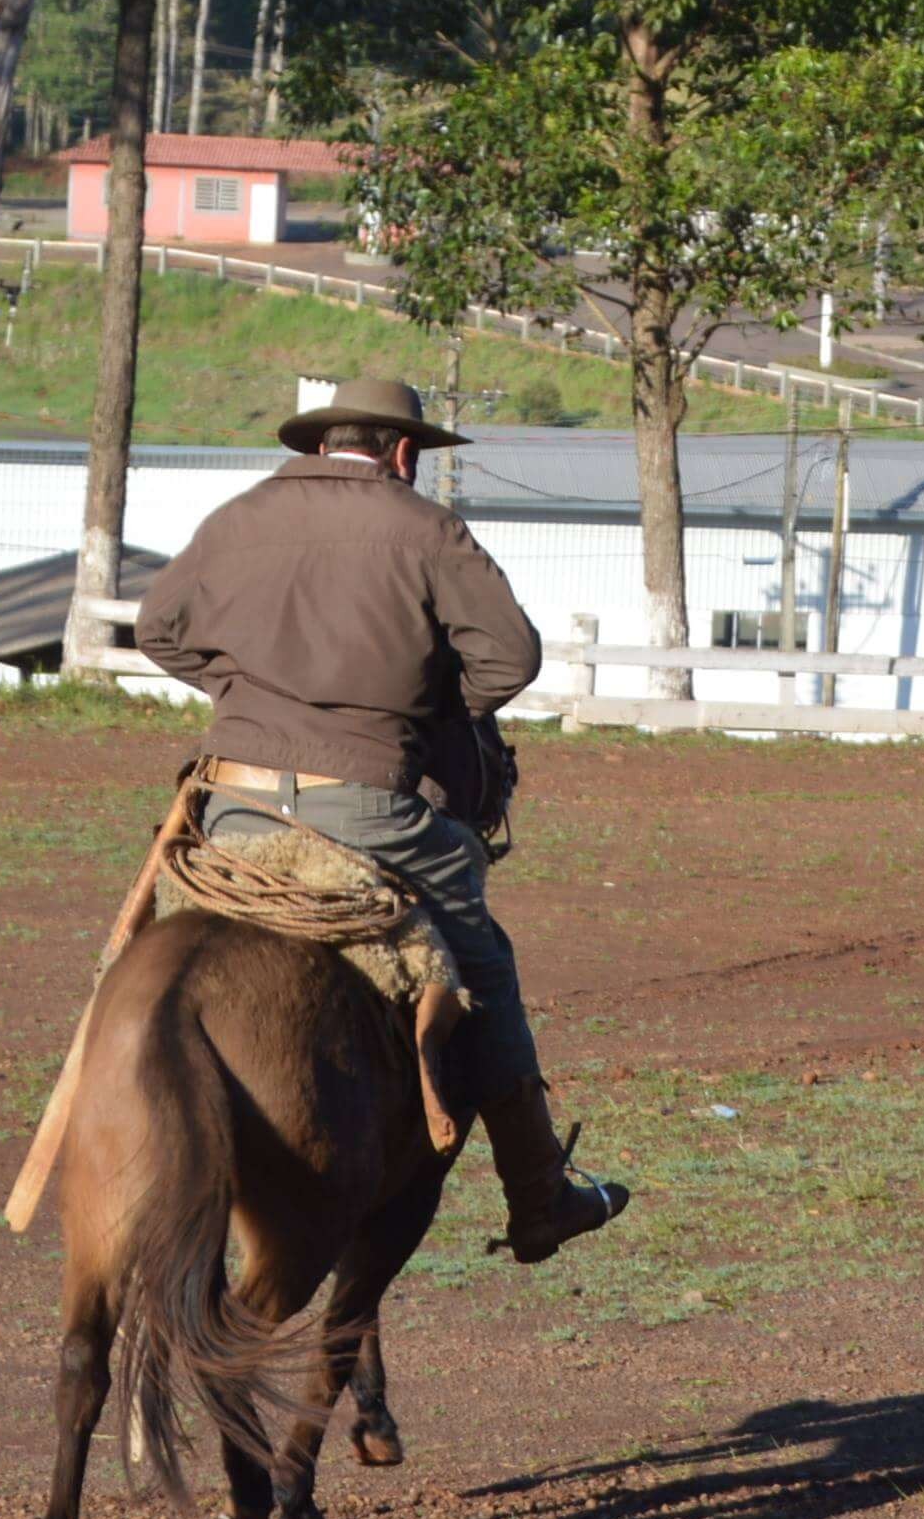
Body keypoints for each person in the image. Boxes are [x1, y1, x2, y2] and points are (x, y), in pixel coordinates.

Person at [133, 375, 629, 1261]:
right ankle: (539, 1193)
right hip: (368, 809)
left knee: (139, 957)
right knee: (485, 959)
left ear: (324, 444)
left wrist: (244, 698)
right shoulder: (427, 529)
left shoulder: (238, 516)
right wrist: (424, 712)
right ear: (403, 452)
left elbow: (158, 629)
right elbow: (511, 657)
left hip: (231, 805)